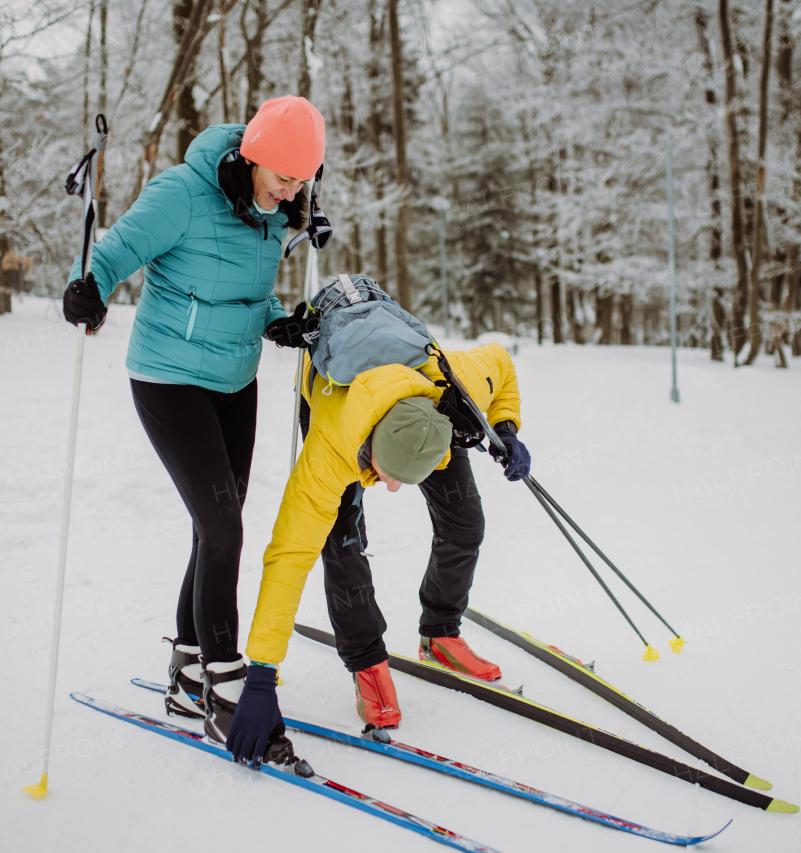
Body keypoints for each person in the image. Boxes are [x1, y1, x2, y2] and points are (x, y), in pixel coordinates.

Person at [62, 95, 327, 773]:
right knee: (223, 527)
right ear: (250, 154)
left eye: (301, 181)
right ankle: (224, 683)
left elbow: (252, 290)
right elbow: (112, 252)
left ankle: (184, 668)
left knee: (218, 523)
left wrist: (277, 321)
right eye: (281, 176)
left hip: (235, 381)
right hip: (169, 378)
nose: (289, 191)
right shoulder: (183, 192)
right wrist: (85, 288)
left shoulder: (276, 215)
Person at [221, 339, 532, 767]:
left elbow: (501, 360)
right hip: (334, 390)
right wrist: (260, 673)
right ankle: (366, 661)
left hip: (416, 395)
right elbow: (290, 556)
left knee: (465, 521)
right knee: (343, 540)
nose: (392, 489)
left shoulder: (457, 386)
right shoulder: (330, 453)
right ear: (370, 453)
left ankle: (440, 632)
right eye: (387, 476)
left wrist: (506, 427)